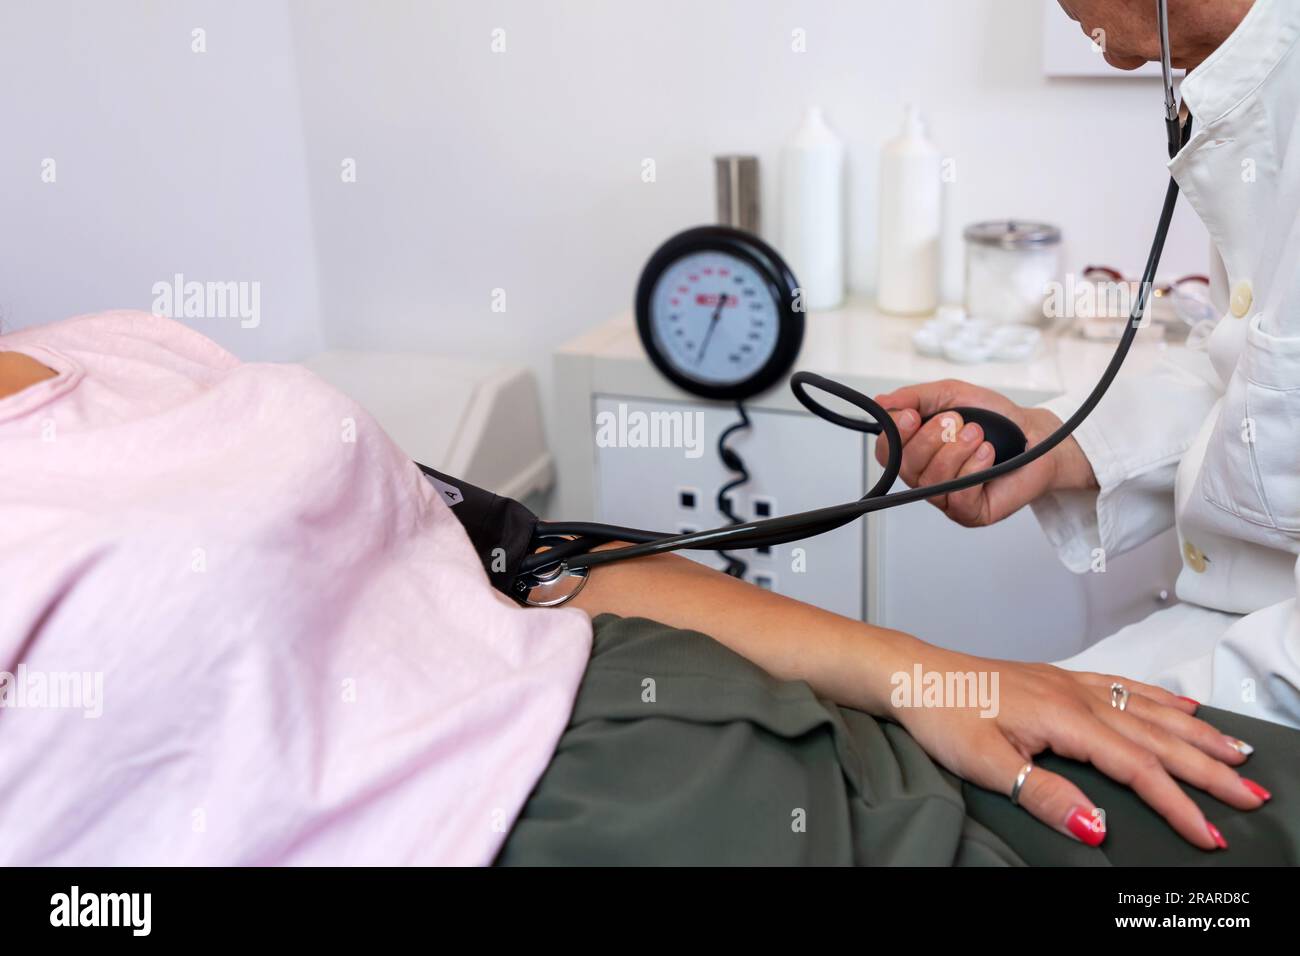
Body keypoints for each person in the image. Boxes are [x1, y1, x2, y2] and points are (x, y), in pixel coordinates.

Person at [2, 310, 1294, 866]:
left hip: (797, 731)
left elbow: (533, 562)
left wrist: (934, 675)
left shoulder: (127, 347)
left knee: (1245, 804)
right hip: (603, 837)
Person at [874, 0, 1299, 732]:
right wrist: (1050, 443)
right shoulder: (1260, 106)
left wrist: (1091, 709)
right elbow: (1249, 380)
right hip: (1219, 653)